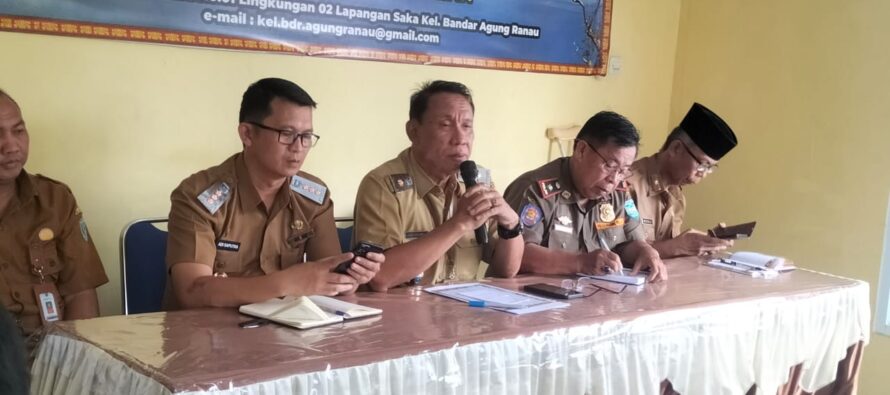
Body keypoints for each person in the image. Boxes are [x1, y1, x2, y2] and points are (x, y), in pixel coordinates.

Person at [166, 78, 382, 309]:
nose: (298, 147)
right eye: (287, 133)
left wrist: (347, 280)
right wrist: (286, 284)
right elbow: (192, 292)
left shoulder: (313, 196)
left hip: (286, 330)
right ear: (247, 134)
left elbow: (327, 273)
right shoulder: (199, 196)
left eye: (306, 136)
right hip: (207, 334)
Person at [353, 80, 523, 291]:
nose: (460, 139)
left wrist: (512, 226)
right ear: (414, 131)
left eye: (467, 126)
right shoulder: (383, 185)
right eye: (445, 125)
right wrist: (459, 224)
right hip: (403, 316)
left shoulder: (478, 182)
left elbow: (506, 271)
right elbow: (380, 277)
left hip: (463, 314)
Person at [504, 111, 667, 282]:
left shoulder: (619, 193)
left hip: (593, 299)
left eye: (623, 170)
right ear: (581, 150)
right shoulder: (535, 190)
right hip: (531, 298)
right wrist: (579, 263)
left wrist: (645, 251)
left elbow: (629, 243)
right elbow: (515, 256)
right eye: (610, 166)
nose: (614, 179)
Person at [0, 89, 108, 337]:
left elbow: (81, 293)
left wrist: (68, 360)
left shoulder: (55, 200)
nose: (12, 146)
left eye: (18, 131)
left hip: (50, 353)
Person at [625, 102, 738, 257]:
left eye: (710, 168)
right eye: (703, 165)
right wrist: (676, 247)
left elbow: (670, 255)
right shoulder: (626, 184)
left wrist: (702, 244)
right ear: (675, 149)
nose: (703, 174)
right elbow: (611, 251)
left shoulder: (676, 197)